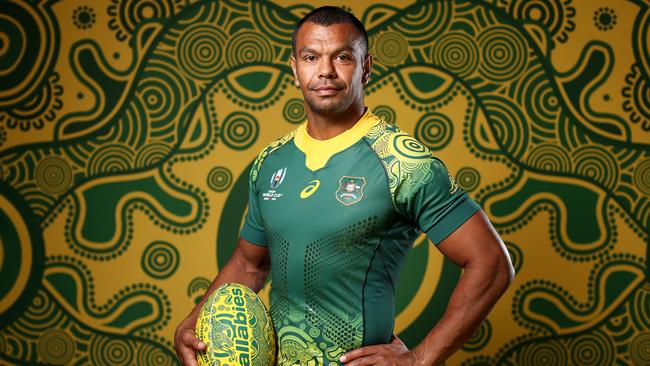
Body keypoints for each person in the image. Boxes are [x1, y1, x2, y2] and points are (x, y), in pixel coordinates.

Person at [174, 6, 514, 366]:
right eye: (311, 57)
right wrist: (196, 320)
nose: (325, 71)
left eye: (342, 57)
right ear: (294, 68)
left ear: (365, 67)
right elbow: (248, 265)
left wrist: (419, 359)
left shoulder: (403, 161)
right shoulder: (270, 162)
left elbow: (491, 264)